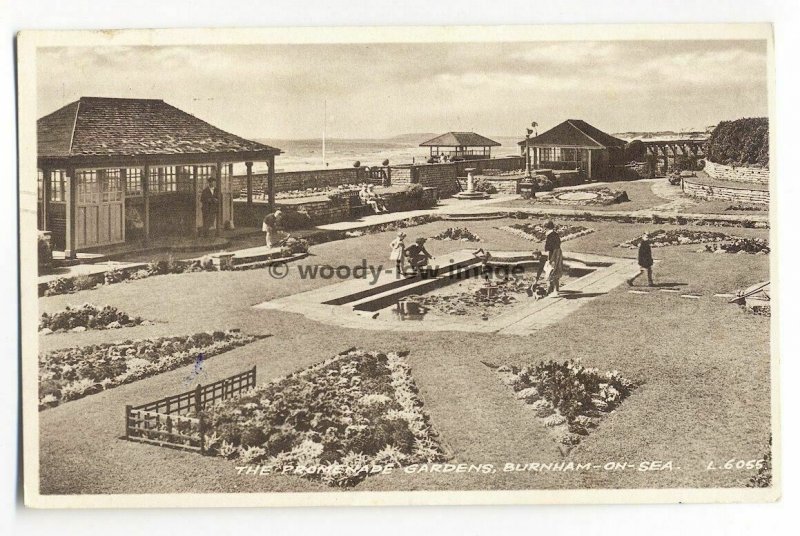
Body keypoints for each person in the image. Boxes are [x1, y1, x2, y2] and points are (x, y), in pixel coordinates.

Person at [542, 220, 564, 297]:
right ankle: (554, 289)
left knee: (552, 272)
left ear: (546, 227)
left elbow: (553, 249)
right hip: (557, 254)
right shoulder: (554, 234)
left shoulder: (550, 235)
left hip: (554, 255)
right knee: (554, 271)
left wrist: (551, 259)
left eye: (544, 227)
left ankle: (555, 291)